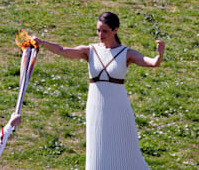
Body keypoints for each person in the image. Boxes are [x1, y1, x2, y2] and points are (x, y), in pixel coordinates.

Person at [33, 12, 165, 170]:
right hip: (96, 109)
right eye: (98, 30)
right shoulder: (90, 51)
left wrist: (160, 55)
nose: (100, 35)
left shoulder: (126, 53)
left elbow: (151, 63)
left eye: (105, 31)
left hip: (119, 110)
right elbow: (62, 50)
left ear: (115, 30)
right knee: (98, 152)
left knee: (126, 152)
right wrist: (41, 42)